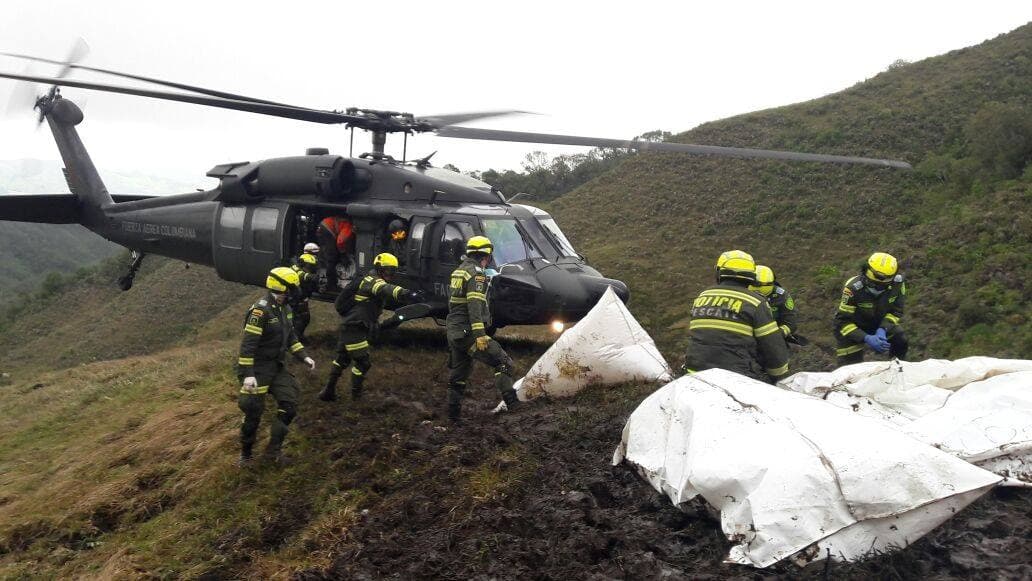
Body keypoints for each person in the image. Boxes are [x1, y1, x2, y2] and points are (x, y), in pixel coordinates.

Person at [237, 266, 316, 466]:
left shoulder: (286, 309)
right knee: (253, 411)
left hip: (276, 367)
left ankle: (273, 452)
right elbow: (247, 346)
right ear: (281, 287)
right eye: (292, 286)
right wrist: (248, 374)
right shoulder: (260, 311)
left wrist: (304, 357)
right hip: (258, 369)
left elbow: (291, 337)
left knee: (289, 405)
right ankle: (246, 455)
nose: (296, 290)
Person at [319, 252, 422, 401]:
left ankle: (327, 392)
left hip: (351, 325)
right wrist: (407, 294)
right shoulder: (372, 281)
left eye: (393, 271)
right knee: (363, 362)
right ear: (379, 269)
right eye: (388, 270)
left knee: (342, 359)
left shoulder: (369, 280)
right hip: (354, 327)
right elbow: (385, 289)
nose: (390, 274)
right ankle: (356, 396)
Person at [682, 250, 790, 383]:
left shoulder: (702, 296)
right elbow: (773, 348)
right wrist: (778, 379)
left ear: (719, 272)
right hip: (734, 379)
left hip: (693, 375)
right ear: (751, 277)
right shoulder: (756, 302)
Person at [446, 235, 520, 422]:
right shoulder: (476, 273)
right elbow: (474, 305)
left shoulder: (459, 271)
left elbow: (454, 305)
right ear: (486, 255)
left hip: (455, 332)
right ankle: (515, 410)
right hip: (468, 333)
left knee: (459, 376)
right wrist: (480, 335)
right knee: (503, 362)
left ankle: (452, 417)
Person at [834, 252, 908, 366]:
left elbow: (896, 312)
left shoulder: (898, 284)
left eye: (880, 286)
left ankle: (897, 369)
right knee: (849, 369)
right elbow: (842, 321)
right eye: (871, 283)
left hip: (880, 324)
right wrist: (866, 338)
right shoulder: (852, 288)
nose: (875, 288)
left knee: (900, 339)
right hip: (853, 328)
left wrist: (883, 329)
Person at [749, 264, 799, 341]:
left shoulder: (781, 295)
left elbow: (791, 321)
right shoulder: (742, 292)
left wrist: (778, 334)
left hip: (773, 335)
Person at [316, 216, 354, 291]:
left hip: (323, 226)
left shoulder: (346, 223)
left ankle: (322, 274)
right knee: (331, 258)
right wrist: (343, 254)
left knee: (325, 253)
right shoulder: (349, 227)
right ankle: (331, 284)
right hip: (328, 228)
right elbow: (340, 242)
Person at [289, 253, 318, 342]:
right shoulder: (295, 269)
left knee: (305, 319)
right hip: (291, 301)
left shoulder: (305, 271)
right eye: (309, 266)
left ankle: (299, 337)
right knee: (295, 322)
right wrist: (311, 277)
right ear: (302, 263)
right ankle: (293, 342)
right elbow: (302, 275)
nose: (311, 269)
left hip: (301, 300)